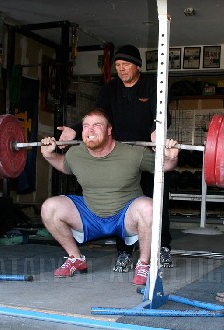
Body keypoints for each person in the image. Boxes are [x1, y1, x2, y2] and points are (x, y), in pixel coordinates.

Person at [58, 45, 174, 273]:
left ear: (137, 65)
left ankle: (163, 247)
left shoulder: (151, 84)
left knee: (157, 199)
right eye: (118, 66)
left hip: (147, 151)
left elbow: (161, 113)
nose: (121, 70)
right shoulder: (111, 88)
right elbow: (97, 115)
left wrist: (156, 129)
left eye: (126, 65)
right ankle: (124, 252)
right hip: (120, 155)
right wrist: (74, 129)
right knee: (123, 204)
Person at [40, 108, 179, 285]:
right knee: (50, 207)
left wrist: (172, 157)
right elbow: (64, 165)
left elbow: (164, 165)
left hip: (125, 216)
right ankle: (76, 258)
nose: (90, 130)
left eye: (97, 125)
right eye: (86, 126)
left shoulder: (133, 153)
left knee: (149, 207)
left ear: (109, 130)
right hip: (90, 215)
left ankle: (144, 264)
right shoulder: (75, 153)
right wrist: (49, 155)